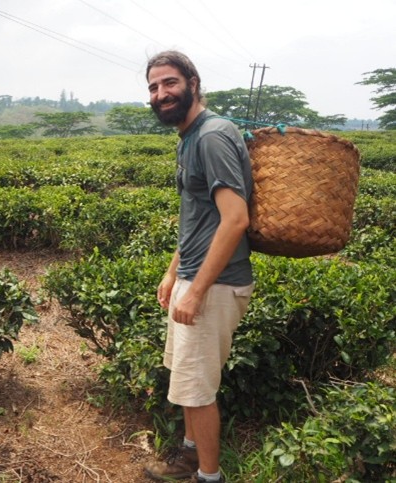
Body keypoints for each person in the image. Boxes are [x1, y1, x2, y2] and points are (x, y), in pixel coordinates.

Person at [143, 51, 254, 483]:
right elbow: (198, 215)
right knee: (187, 380)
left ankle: (209, 476)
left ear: (192, 81)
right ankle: (189, 457)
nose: (160, 94)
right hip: (197, 275)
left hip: (217, 283)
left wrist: (198, 290)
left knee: (197, 389)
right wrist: (175, 273)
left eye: (169, 83)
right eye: (153, 87)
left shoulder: (211, 136)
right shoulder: (188, 137)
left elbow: (235, 219)